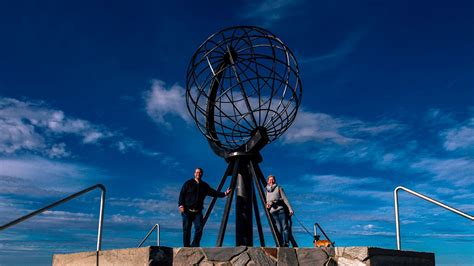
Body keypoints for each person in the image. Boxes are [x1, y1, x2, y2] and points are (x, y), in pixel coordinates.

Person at [178, 167, 231, 247]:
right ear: (194, 173)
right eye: (197, 172)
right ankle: (186, 247)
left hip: (197, 212)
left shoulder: (204, 186)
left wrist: (224, 194)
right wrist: (181, 205)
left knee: (199, 228)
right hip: (187, 210)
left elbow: (213, 193)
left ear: (201, 174)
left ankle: (195, 245)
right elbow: (182, 194)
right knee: (186, 229)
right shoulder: (188, 183)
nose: (198, 174)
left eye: (200, 172)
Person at [265, 174, 294, 247]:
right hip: (273, 212)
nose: (271, 181)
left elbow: (285, 199)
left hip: (281, 210)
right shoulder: (266, 190)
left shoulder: (279, 188)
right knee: (278, 229)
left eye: (272, 179)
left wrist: (290, 209)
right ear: (268, 181)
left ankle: (286, 243)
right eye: (270, 180)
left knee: (285, 226)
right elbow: (267, 201)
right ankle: (280, 243)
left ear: (274, 180)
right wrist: (267, 205)